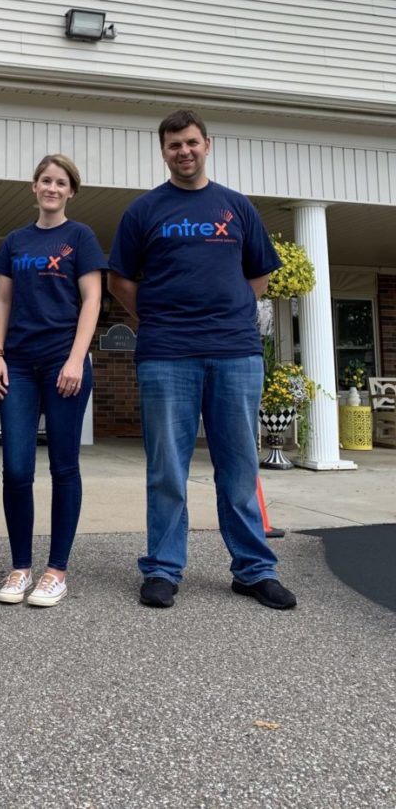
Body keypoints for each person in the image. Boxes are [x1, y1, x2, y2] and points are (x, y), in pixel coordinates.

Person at [107, 109, 297, 610]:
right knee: (167, 467)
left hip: (235, 352)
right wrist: (155, 318)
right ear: (163, 151)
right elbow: (120, 279)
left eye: (191, 142)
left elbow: (259, 275)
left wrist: (230, 310)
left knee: (238, 465)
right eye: (174, 145)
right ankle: (164, 568)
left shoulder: (236, 207)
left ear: (207, 145)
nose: (183, 152)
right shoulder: (143, 211)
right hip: (166, 354)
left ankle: (254, 570)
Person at [0, 155, 104, 607]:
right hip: (17, 363)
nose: (52, 188)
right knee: (16, 468)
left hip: (64, 362)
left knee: (63, 466)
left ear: (71, 191)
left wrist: (76, 359)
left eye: (61, 182)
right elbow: (0, 299)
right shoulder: (16, 241)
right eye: (45, 180)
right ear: (34, 187)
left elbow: (92, 298)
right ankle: (20, 567)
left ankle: (57, 570)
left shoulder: (81, 237)